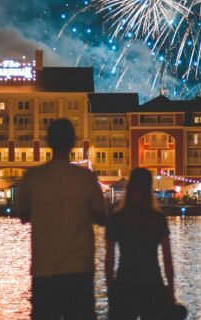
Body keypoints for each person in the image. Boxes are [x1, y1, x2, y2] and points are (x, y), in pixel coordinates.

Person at [13, 118, 108, 320]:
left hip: (44, 269)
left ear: (48, 142)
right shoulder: (86, 178)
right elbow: (101, 216)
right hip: (79, 268)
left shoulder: (33, 177)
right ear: (73, 142)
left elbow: (22, 214)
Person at [105, 168, 178, 320]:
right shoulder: (157, 219)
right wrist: (170, 290)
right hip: (152, 282)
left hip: (125, 282)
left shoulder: (117, 219)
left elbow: (109, 259)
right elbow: (167, 259)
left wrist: (111, 286)